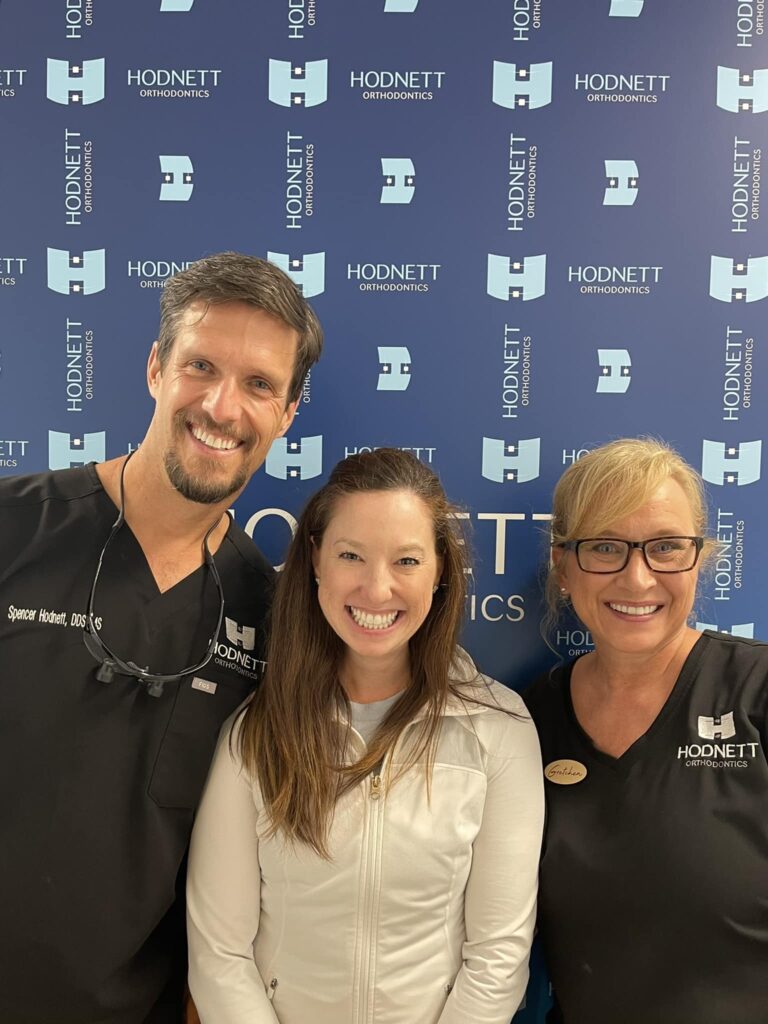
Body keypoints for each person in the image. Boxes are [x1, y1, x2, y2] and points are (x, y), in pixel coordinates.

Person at [0, 252, 323, 1024]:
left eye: (258, 384)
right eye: (200, 365)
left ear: (288, 411)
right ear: (155, 368)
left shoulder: (275, 620)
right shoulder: (17, 529)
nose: (220, 405)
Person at [187, 448, 544, 1024]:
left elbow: (498, 954)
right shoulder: (255, 734)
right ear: (316, 561)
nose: (377, 589)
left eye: (406, 560)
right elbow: (220, 953)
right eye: (351, 555)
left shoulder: (499, 731)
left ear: (441, 570)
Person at [524, 438, 768, 1024]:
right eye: (605, 547)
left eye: (665, 548)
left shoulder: (758, 689)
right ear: (563, 567)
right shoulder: (527, 719)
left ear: (699, 559)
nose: (637, 579)